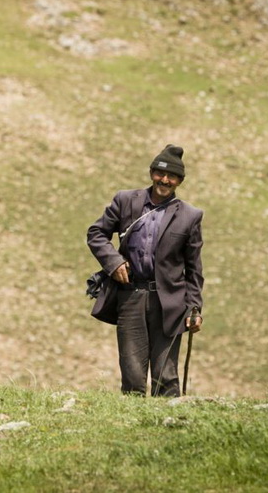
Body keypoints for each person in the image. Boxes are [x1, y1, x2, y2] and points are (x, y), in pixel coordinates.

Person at [87, 144, 204, 397]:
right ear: (152, 173)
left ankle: (169, 428)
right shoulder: (126, 200)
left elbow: (194, 268)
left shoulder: (190, 216)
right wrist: (114, 262)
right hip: (129, 296)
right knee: (132, 374)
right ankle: (134, 429)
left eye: (172, 176)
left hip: (170, 303)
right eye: (160, 173)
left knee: (166, 375)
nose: (165, 180)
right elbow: (96, 234)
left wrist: (194, 307)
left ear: (180, 181)